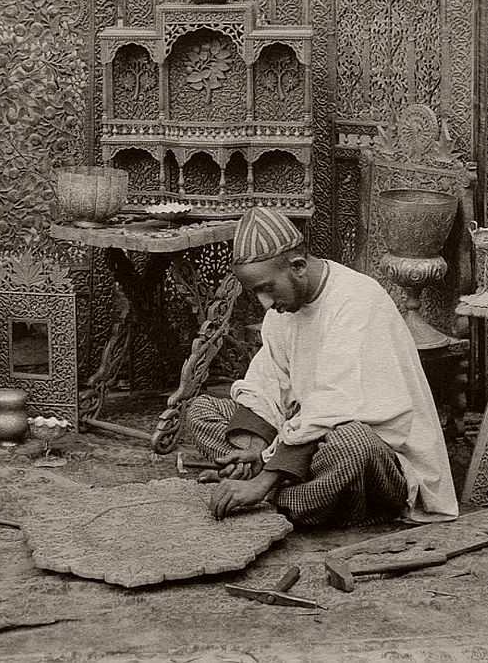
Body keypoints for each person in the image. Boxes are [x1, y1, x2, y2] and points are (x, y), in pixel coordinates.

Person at [188, 205, 458, 527]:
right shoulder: (282, 310)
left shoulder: (356, 300)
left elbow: (336, 407)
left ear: (298, 266)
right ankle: (295, 487)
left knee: (352, 446)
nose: (265, 303)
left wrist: (260, 484)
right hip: (308, 434)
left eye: (267, 288)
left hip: (382, 453)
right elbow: (267, 381)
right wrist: (255, 448)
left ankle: (277, 495)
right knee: (202, 410)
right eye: (255, 293)